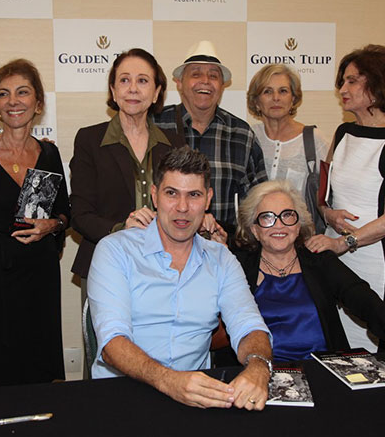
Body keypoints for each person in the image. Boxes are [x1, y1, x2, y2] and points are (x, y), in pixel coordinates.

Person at [88, 146, 273, 410]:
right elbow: (112, 342)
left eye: (194, 195)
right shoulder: (115, 250)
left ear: (208, 199)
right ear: (155, 196)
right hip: (122, 395)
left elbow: (249, 325)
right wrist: (169, 381)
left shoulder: (221, 258)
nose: (183, 208)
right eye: (171, 193)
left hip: (196, 400)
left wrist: (258, 367)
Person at [232, 180, 385, 372]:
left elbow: (366, 301)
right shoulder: (238, 267)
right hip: (263, 375)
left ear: (298, 226)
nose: (279, 225)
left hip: (324, 372)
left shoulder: (319, 262)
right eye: (267, 218)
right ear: (254, 229)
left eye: (288, 215)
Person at [69, 49, 185, 376]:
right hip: (107, 266)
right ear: (113, 90)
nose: (133, 88)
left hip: (165, 267)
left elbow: (184, 203)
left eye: (143, 81)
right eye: (124, 80)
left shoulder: (174, 142)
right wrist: (122, 226)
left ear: (157, 92)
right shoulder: (90, 139)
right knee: (107, 363)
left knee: (160, 362)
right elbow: (80, 214)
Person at [0, 59, 69, 387]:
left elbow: (66, 212)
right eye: (4, 94)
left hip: (39, 268)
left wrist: (53, 225)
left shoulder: (50, 154)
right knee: (3, 357)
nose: (13, 101)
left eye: (22, 92)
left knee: (43, 354)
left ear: (38, 103)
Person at [305, 44, 385, 352]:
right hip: (335, 253)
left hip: (379, 257)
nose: (342, 89)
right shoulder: (343, 132)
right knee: (338, 342)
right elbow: (323, 195)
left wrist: (344, 243)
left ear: (379, 84)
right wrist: (328, 215)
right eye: (342, 81)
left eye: (352, 80)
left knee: (382, 344)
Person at [154, 40, 268, 236]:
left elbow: (258, 202)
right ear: (179, 83)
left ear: (222, 86)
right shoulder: (155, 125)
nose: (205, 81)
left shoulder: (242, 134)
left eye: (213, 76)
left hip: (223, 251)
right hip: (160, 250)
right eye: (196, 74)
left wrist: (237, 239)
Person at [247, 64, 329, 230]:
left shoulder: (314, 139)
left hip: (301, 239)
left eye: (283, 91)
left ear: (293, 99)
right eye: (267, 91)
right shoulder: (248, 137)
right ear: (256, 101)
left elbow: (330, 195)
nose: (276, 98)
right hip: (255, 238)